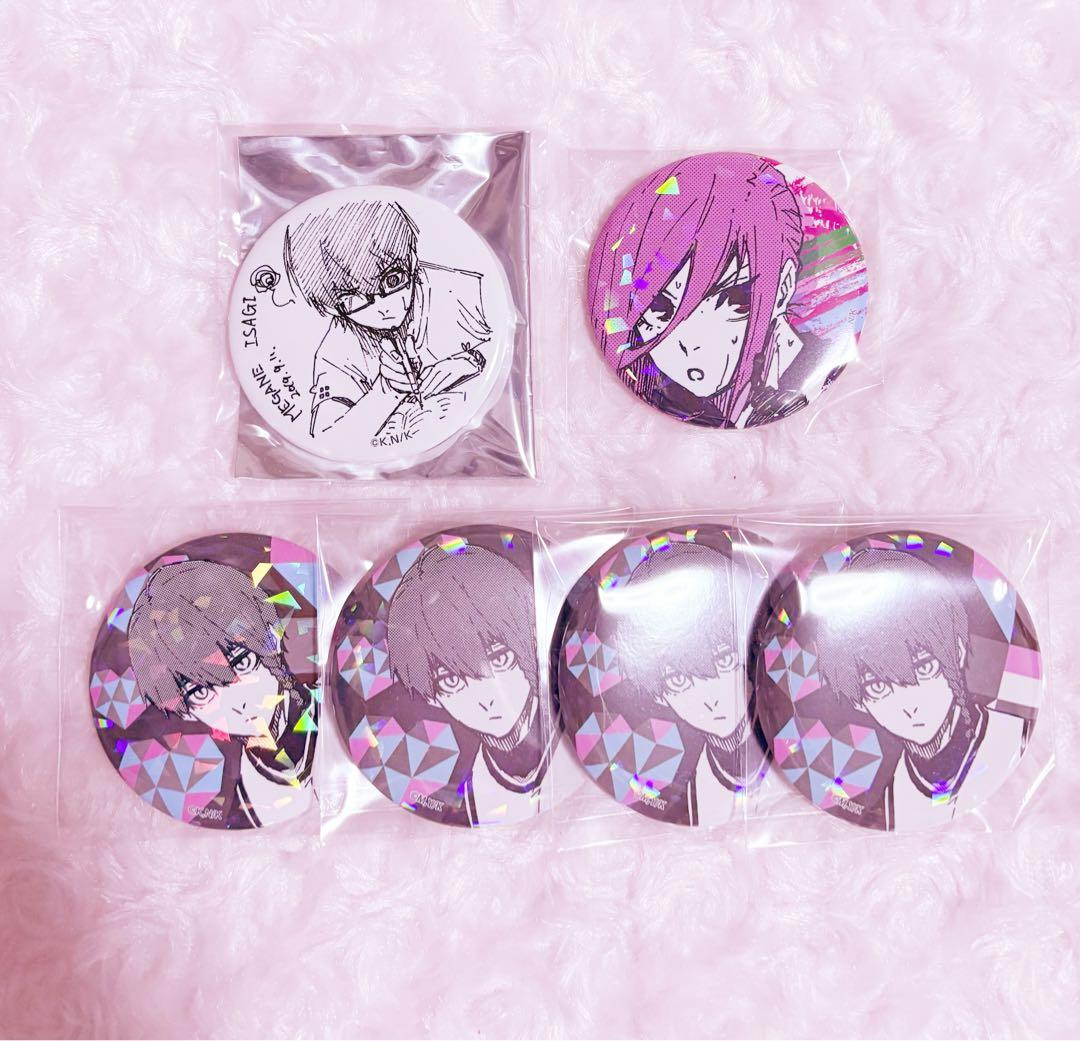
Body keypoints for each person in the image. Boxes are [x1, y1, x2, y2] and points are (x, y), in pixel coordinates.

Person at [589, 154, 822, 427]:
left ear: (783, 287)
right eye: (660, 307)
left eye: (735, 300)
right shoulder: (648, 382)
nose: (690, 342)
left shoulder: (811, 371)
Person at [813, 548, 1028, 831]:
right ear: (859, 702)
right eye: (877, 687)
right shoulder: (892, 795)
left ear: (958, 651)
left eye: (925, 667)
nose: (909, 705)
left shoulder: (1012, 738)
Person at [126, 558, 316, 828]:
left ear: (270, 639)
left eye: (242, 662)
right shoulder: (245, 795)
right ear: (186, 711)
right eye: (200, 693)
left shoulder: (333, 718)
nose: (238, 703)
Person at [282, 197, 489, 439]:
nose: (382, 307)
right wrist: (386, 392)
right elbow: (326, 435)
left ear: (412, 260)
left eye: (393, 280)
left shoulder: (459, 289)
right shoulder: (338, 348)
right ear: (331, 308)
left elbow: (504, 343)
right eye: (352, 299)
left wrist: (468, 362)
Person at [385, 542, 558, 826]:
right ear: (432, 697)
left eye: (500, 658)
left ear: (530, 641)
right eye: (451, 681)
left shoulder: (578, 746)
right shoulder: (467, 793)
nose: (486, 698)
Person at [610, 540, 769, 825]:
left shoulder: (798, 753)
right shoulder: (696, 780)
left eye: (725, 660)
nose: (710, 699)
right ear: (659, 695)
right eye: (678, 680)